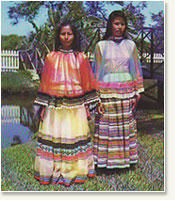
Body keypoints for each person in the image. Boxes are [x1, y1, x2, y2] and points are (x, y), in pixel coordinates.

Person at [33, 22, 99, 186]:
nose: (66, 37)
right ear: (58, 36)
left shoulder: (81, 57)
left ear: (74, 36)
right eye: (63, 34)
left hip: (75, 106)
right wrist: (43, 107)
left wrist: (87, 106)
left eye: (69, 34)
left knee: (72, 135)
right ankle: (53, 169)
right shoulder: (51, 57)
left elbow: (87, 83)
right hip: (55, 105)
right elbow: (45, 83)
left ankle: (75, 170)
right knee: (56, 135)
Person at [93, 10, 144, 170]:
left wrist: (138, 91)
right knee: (107, 127)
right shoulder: (101, 46)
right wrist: (97, 96)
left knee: (124, 127)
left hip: (127, 92)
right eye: (116, 23)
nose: (119, 27)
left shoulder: (131, 45)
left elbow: (136, 68)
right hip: (107, 93)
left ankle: (125, 162)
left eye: (122, 24)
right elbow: (97, 72)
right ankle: (104, 163)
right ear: (110, 25)